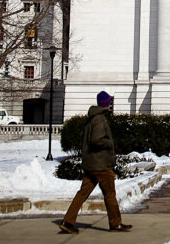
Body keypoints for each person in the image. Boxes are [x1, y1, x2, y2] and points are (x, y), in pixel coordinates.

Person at [60, 91, 132, 234]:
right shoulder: (99, 119)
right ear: (106, 104)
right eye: (109, 102)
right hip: (101, 164)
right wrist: (110, 143)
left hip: (91, 164)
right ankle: (115, 223)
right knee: (110, 194)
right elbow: (96, 140)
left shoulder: (91, 118)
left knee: (82, 194)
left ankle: (68, 221)